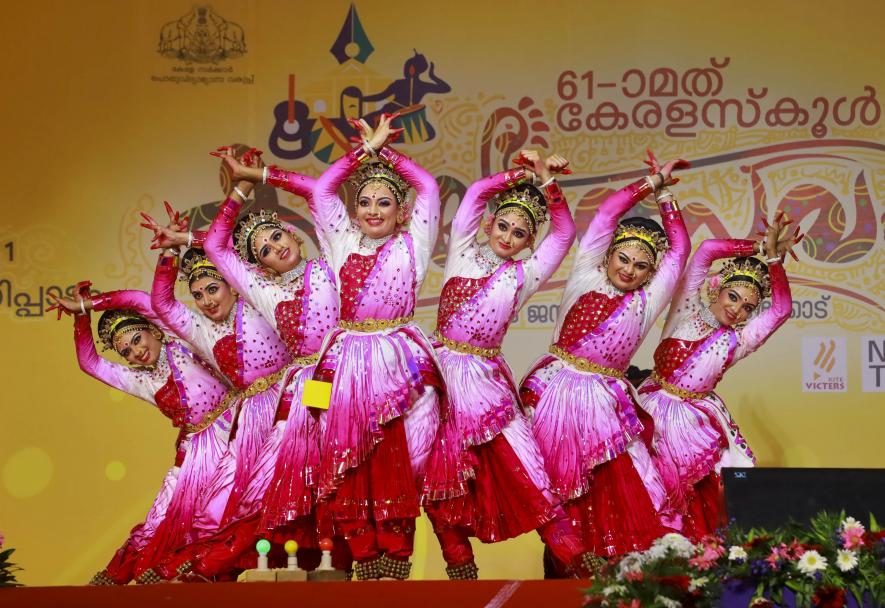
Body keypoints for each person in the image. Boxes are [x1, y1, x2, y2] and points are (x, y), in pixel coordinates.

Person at [422, 149, 600, 577]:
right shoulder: (461, 252)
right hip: (441, 378)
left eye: (519, 233)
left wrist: (548, 186)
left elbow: (563, 234)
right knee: (440, 478)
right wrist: (517, 176)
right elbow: (476, 196)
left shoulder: (525, 273)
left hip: (486, 382)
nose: (507, 236)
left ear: (528, 243)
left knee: (527, 466)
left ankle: (576, 561)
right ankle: (459, 565)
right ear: (488, 224)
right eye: (502, 225)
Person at [519, 152, 691, 571]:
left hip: (606, 403)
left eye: (641, 265)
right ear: (608, 254)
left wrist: (668, 201)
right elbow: (608, 212)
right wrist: (650, 184)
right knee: (560, 491)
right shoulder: (586, 273)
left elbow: (681, 249)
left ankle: (605, 572)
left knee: (613, 489)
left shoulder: (648, 300)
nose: (629, 270)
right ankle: (561, 570)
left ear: (652, 274)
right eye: (624, 258)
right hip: (557, 393)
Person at [310, 115, 442, 579]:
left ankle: (396, 555)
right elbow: (324, 191)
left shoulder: (413, 243)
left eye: (384, 202)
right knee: (341, 455)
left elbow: (426, 186)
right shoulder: (342, 240)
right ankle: (364, 554)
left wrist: (386, 152)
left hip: (398, 357)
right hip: (342, 362)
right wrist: (361, 154)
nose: (372, 210)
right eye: (364, 202)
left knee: (398, 455)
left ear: (401, 212)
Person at [47, 287, 234, 584]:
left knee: (217, 513)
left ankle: (204, 570)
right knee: (163, 515)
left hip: (234, 433)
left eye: (137, 340)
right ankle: (127, 574)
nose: (136, 352)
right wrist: (80, 319)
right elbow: (90, 363)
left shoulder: (184, 342)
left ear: (153, 330)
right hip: (193, 450)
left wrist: (89, 303)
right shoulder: (143, 379)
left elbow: (140, 300)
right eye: (127, 352)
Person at [636, 211, 800, 539]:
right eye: (733, 297)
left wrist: (773, 261)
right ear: (718, 289)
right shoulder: (686, 309)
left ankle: (692, 568)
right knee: (646, 491)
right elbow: (708, 250)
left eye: (747, 308)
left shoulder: (739, 339)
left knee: (697, 502)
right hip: (653, 407)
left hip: (696, 421)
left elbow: (781, 310)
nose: (737, 309)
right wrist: (756, 247)